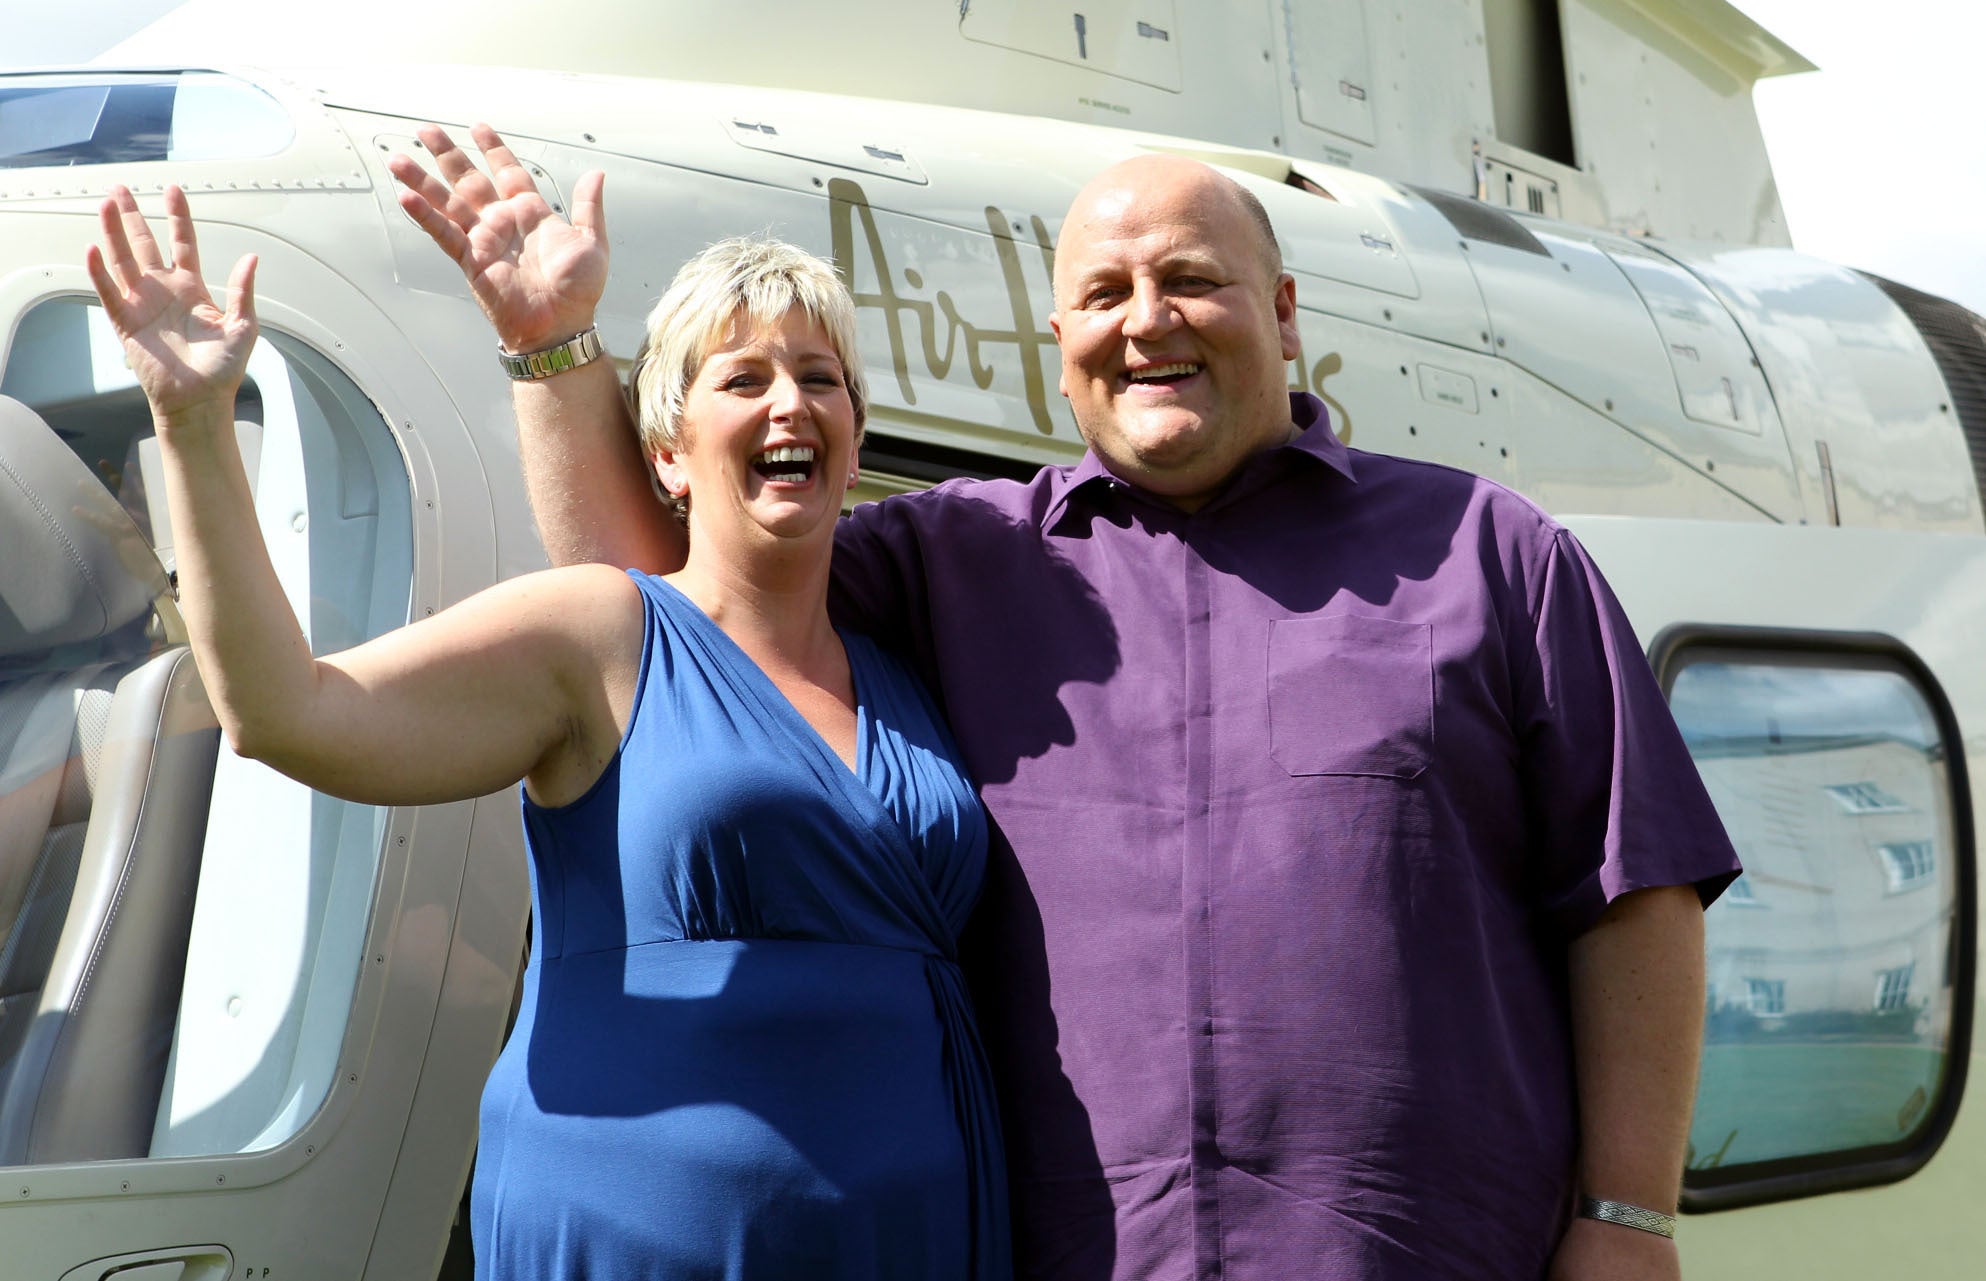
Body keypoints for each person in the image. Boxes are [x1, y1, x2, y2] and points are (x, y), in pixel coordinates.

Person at [394, 126, 1740, 1281]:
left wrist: (1626, 1218)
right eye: (1103, 292)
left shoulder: (1487, 555)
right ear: (1060, 346)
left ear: (1280, 313)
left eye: (1190, 281)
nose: (1144, 317)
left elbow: (1633, 894)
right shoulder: (948, 560)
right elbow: (665, 608)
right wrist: (553, 348)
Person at [85, 185, 1009, 1281]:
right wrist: (193, 424)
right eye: (743, 379)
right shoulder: (598, 628)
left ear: (855, 448)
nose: (790, 405)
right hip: (648, 1232)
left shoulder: (904, 678)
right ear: (669, 454)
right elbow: (289, 714)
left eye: (821, 381)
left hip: (909, 1232)